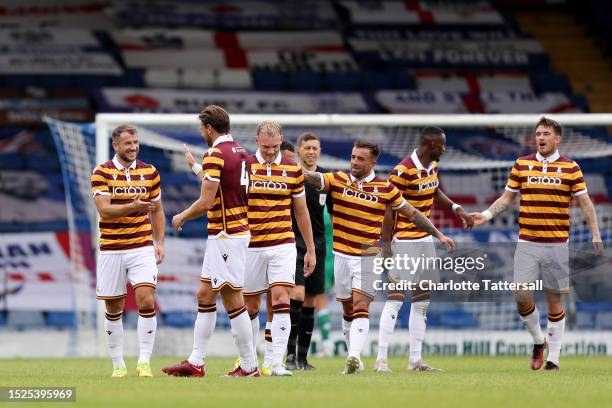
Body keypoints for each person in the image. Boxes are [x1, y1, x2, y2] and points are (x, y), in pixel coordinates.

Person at [302, 140, 455, 374]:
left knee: (362, 304)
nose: (354, 162)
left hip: (369, 252)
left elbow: (412, 213)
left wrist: (438, 234)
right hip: (341, 253)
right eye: (353, 157)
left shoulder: (386, 189)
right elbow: (315, 179)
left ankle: (352, 357)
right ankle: (355, 356)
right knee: (347, 310)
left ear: (373, 162)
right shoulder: (338, 179)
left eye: (360, 158)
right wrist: (292, 170)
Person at [471, 117, 604, 371]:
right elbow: (507, 198)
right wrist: (486, 215)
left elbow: (585, 203)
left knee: (555, 301)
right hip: (527, 242)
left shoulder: (571, 168)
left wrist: (595, 233)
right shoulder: (522, 164)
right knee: (521, 296)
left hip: (557, 243)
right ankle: (538, 341)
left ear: (557, 138)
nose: (540, 138)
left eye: (545, 134)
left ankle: (553, 359)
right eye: (537, 134)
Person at [162, 105, 259, 378]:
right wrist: (195, 166)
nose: (201, 133)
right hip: (231, 233)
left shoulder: (215, 153)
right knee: (205, 295)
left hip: (226, 235)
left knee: (232, 299)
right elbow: (223, 184)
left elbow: (207, 201)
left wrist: (181, 216)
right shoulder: (241, 153)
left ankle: (250, 366)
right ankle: (196, 361)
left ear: (209, 128)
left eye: (201, 129)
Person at [375, 126, 474, 373]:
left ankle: (415, 361)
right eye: (442, 145)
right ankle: (381, 361)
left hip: (425, 241)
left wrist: (455, 207)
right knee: (396, 298)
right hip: (405, 240)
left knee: (422, 301)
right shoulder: (402, 170)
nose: (445, 148)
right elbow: (389, 209)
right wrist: (386, 245)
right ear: (430, 144)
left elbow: (434, 189)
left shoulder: (431, 165)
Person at [91, 124, 165, 378]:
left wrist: (160, 242)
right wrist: (133, 207)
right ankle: (118, 364)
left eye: (135, 143)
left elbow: (157, 210)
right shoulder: (101, 172)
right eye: (127, 144)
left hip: (141, 246)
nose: (133, 147)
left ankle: (144, 362)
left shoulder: (150, 172)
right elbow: (105, 210)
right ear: (115, 146)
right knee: (114, 307)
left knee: (146, 299)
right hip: (111, 249)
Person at [242, 122, 316, 376]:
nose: (272, 151)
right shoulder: (246, 166)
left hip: (283, 243)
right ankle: (249, 362)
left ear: (281, 140)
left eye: (275, 146)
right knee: (250, 307)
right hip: (250, 245)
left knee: (282, 299)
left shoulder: (293, 169)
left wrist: (309, 249)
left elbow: (301, 211)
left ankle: (276, 363)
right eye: (266, 147)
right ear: (256, 141)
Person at [286, 132, 333, 370]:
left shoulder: (326, 178)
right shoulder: (292, 175)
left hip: (319, 245)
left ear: (320, 150)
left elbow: (337, 210)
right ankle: (290, 356)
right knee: (296, 295)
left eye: (315, 147)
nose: (311, 151)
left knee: (312, 300)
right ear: (299, 150)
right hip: (293, 242)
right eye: (307, 147)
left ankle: (303, 358)